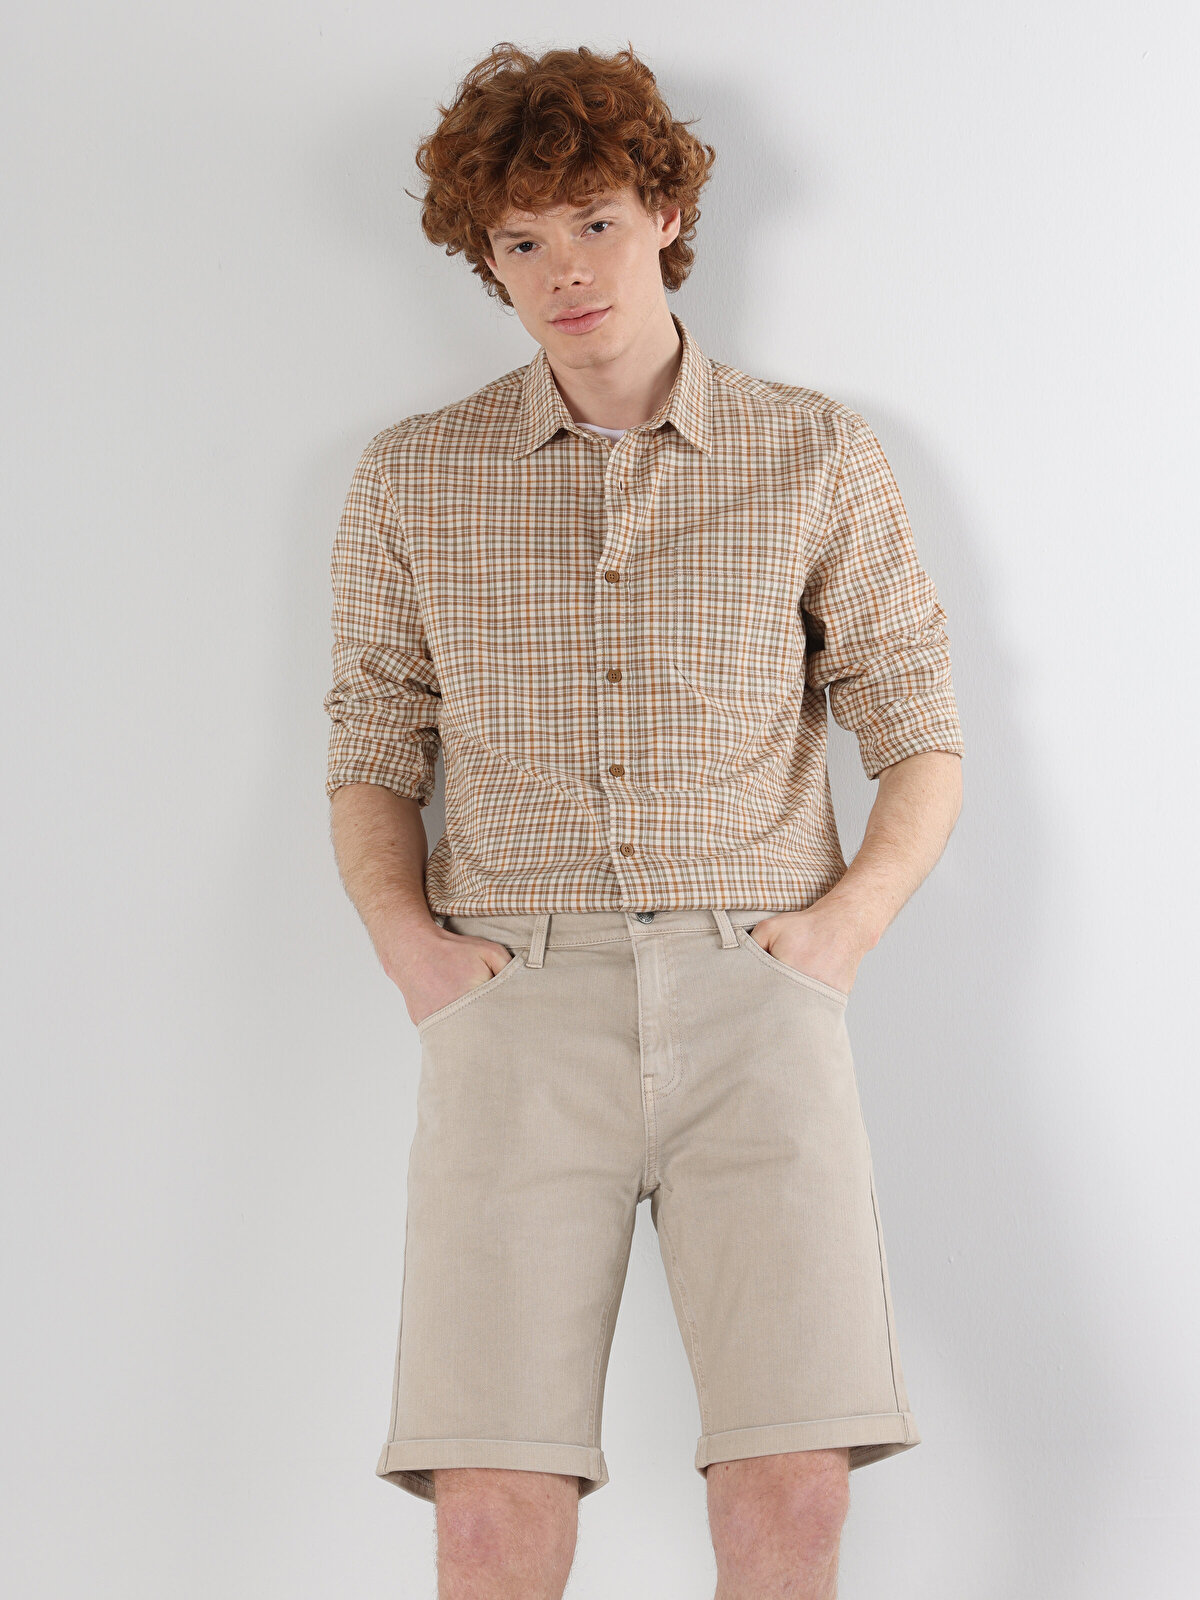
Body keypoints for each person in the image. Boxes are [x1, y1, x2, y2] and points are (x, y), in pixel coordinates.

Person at [323, 39, 964, 1600]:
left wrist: (838, 936)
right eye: (521, 241)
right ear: (487, 261)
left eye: (595, 221)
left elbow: (921, 731)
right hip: (515, 1001)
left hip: (759, 989)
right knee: (491, 1502)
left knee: (792, 1487)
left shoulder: (816, 453)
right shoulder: (414, 478)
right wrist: (414, 952)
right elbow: (371, 745)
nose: (565, 270)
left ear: (666, 213)